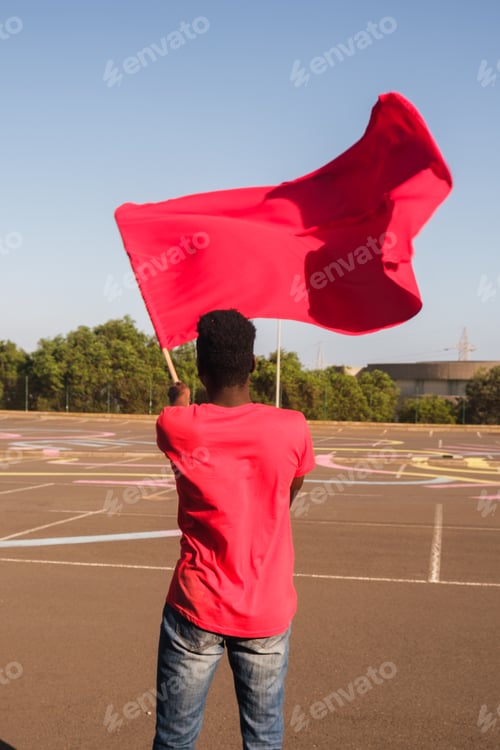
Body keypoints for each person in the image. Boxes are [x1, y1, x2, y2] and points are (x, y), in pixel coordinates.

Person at [152, 309, 315, 750]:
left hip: (196, 604)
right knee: (264, 737)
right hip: (266, 607)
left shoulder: (176, 425)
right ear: (254, 364)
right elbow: (287, 493)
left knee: (174, 739)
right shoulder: (292, 427)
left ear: (202, 369)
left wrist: (178, 395)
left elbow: (177, 412)